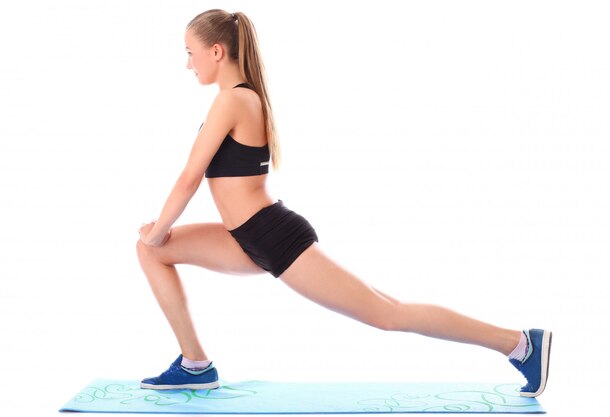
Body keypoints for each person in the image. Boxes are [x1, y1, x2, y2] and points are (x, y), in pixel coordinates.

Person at [135, 9, 552, 397]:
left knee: (388, 314)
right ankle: (196, 364)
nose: (188, 63)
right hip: (244, 236)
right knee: (150, 252)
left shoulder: (233, 100)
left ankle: (519, 345)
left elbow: (190, 178)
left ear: (216, 51)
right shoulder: (237, 99)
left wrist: (157, 231)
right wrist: (155, 239)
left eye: (190, 53)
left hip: (272, 236)